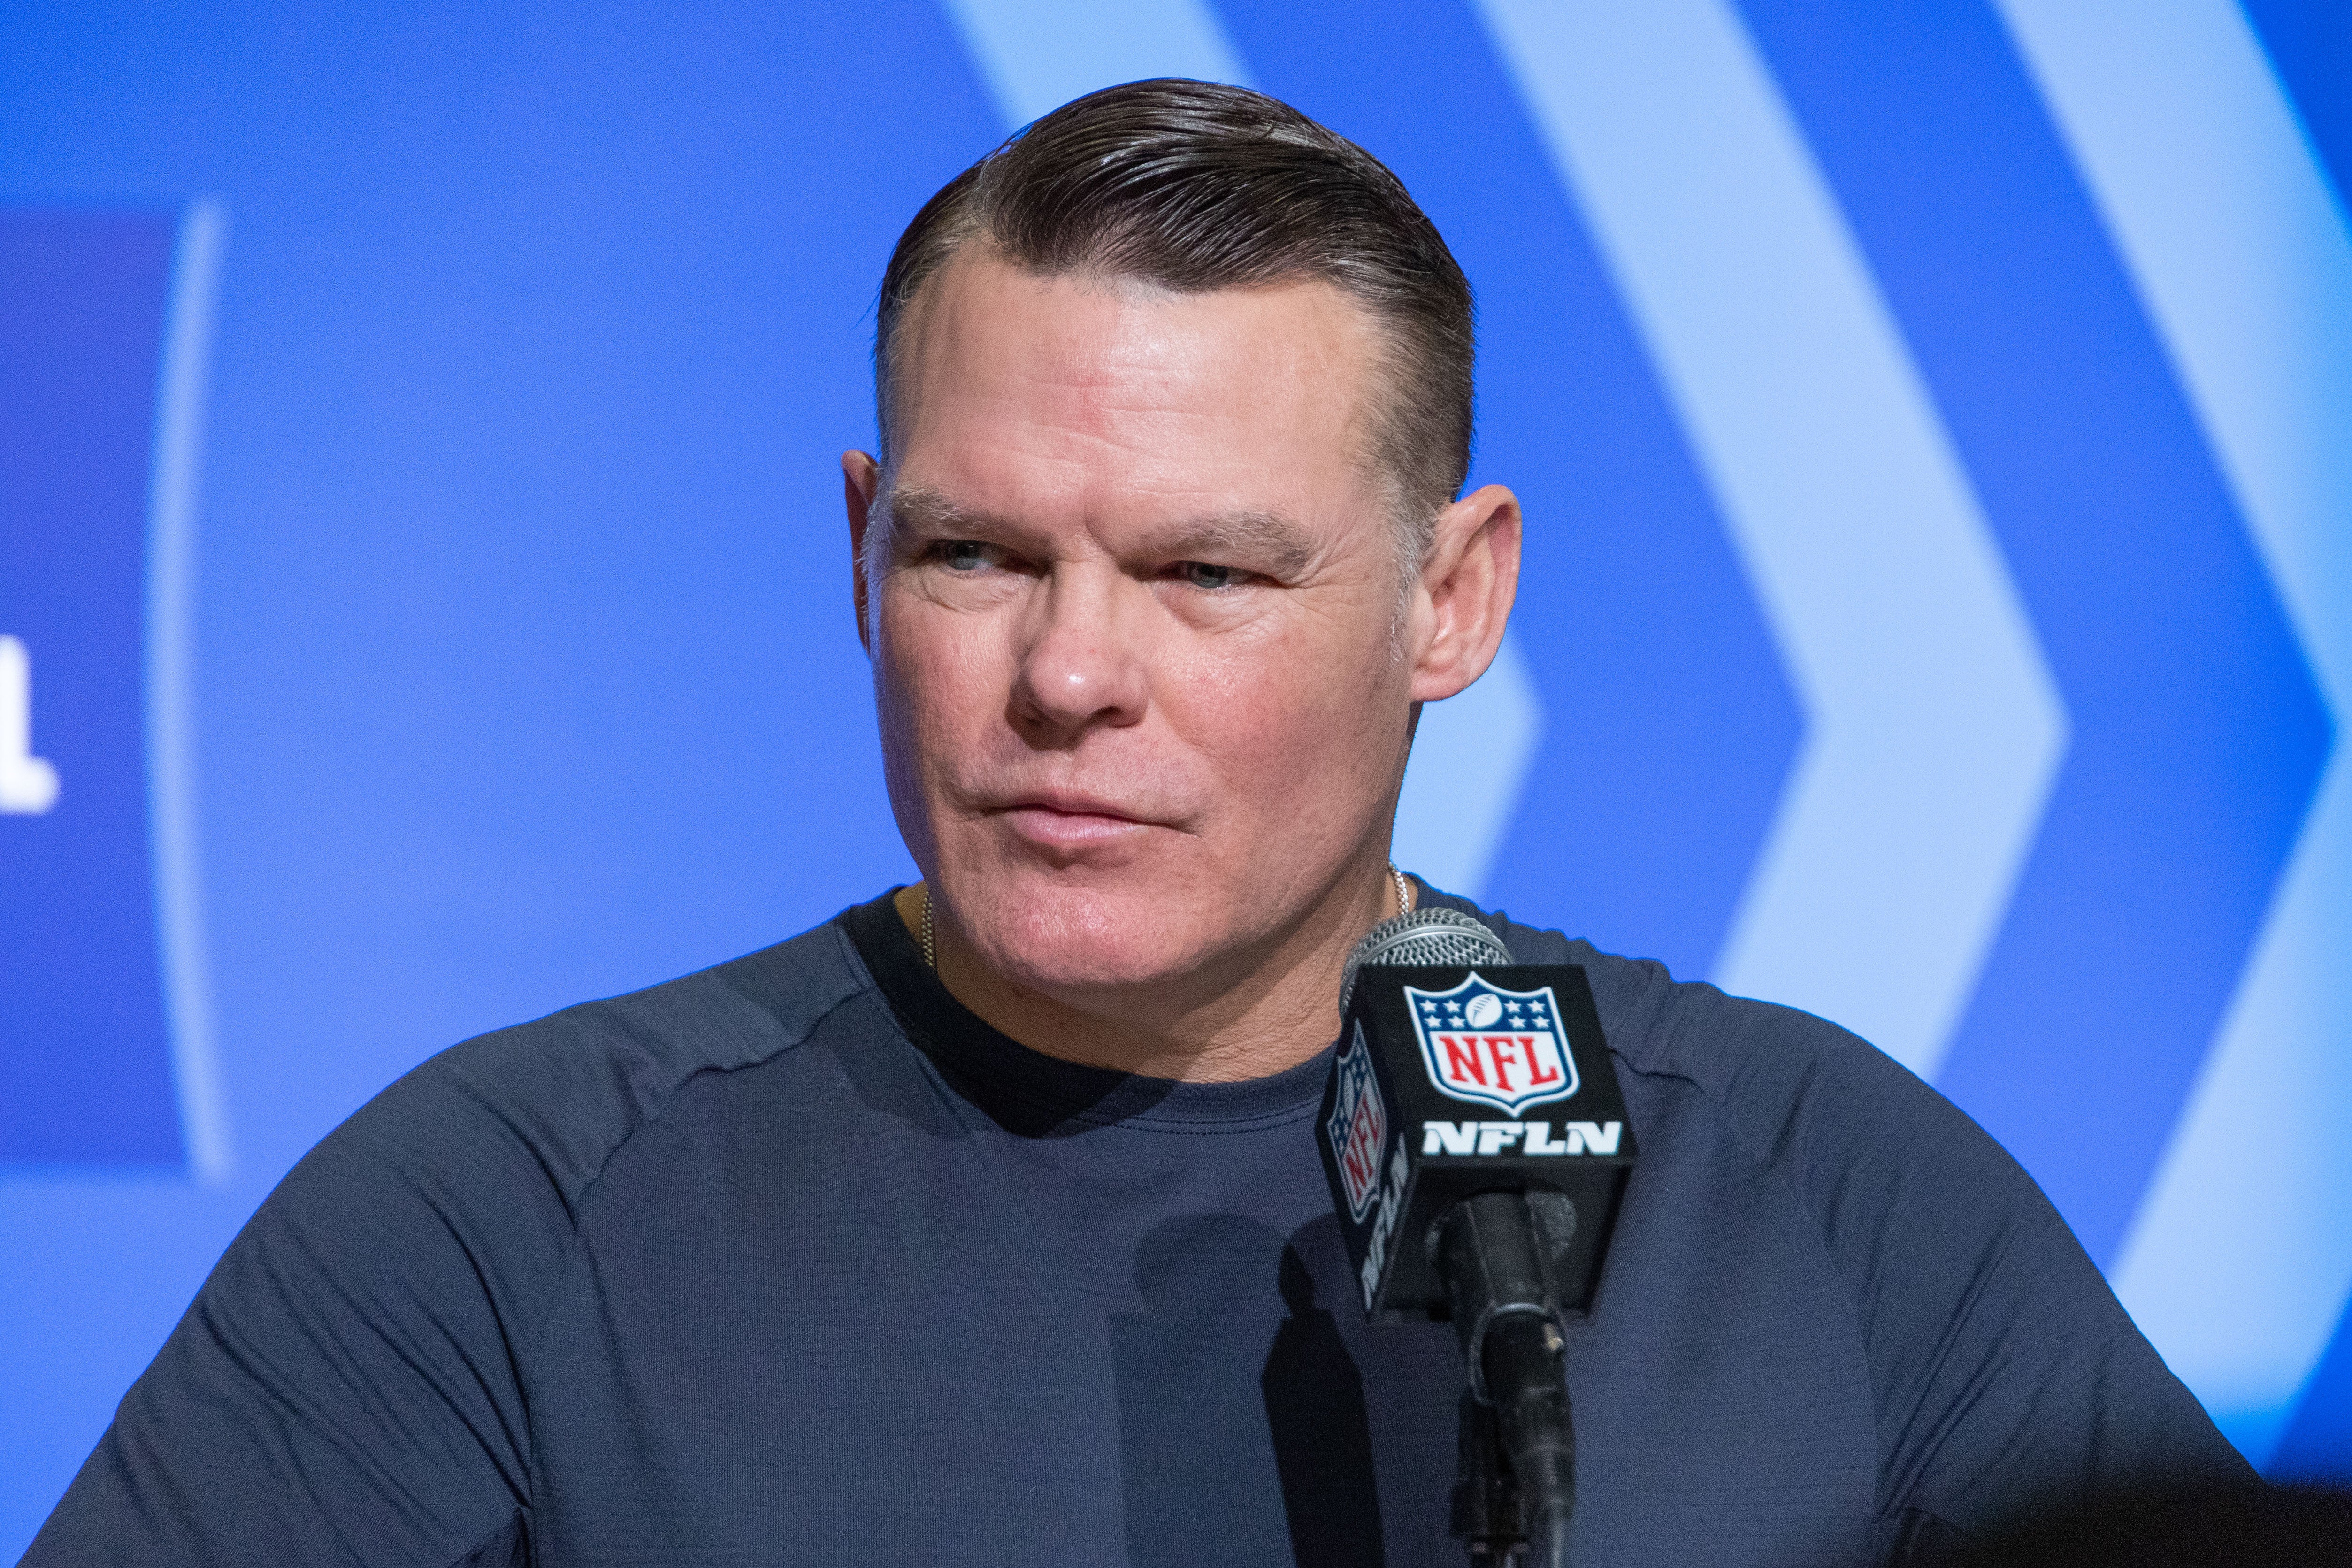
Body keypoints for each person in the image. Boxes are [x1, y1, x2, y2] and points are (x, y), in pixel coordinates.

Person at [26, 80, 2251, 1568]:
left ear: (1450, 598)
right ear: (859, 549)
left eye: (1207, 572)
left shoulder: (1823, 1202)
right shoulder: (508, 1213)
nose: (1069, 674)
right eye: (977, 554)